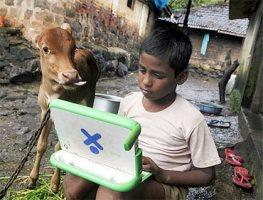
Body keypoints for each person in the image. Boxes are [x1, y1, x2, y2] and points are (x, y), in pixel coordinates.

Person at [63, 20, 221, 200]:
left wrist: (163, 174)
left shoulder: (191, 119)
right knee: (74, 183)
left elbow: (207, 175)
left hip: (165, 184)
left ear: (181, 77)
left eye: (157, 75)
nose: (146, 81)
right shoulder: (129, 102)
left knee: (111, 193)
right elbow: (115, 142)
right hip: (124, 170)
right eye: (142, 70)